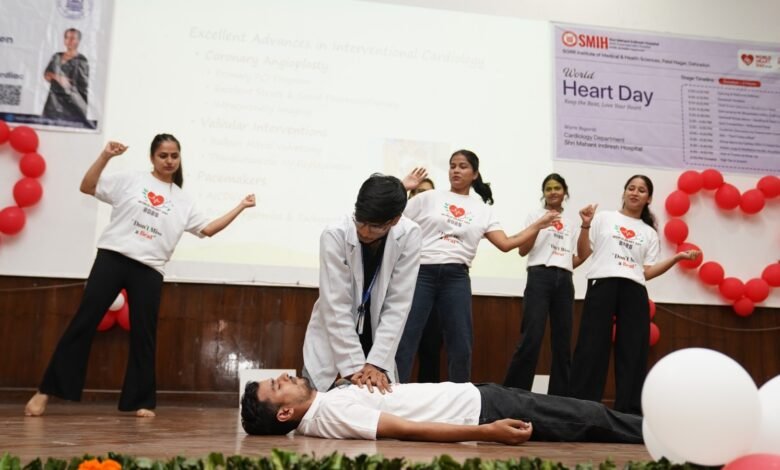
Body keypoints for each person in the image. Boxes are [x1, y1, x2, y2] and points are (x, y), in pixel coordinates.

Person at [24, 134, 256, 417]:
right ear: (152, 158)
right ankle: (45, 391)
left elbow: (208, 229)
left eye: (174, 156)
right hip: (112, 259)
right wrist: (106, 156)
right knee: (83, 322)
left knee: (144, 335)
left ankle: (140, 401)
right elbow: (88, 186)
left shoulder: (183, 199)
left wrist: (241, 206)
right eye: (163, 155)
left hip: (149, 269)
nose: (169, 161)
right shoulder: (131, 180)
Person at [396, 150, 558, 383]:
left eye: (462, 166)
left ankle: (461, 396)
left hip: (456, 277)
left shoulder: (482, 210)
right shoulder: (429, 197)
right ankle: (394, 391)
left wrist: (538, 225)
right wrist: (402, 187)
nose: (455, 170)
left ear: (474, 174)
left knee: (461, 341)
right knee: (407, 335)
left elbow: (506, 243)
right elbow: (392, 214)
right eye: (452, 166)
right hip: (422, 272)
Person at [569, 175, 700, 414]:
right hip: (603, 284)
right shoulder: (604, 218)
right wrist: (585, 225)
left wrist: (676, 258)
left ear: (648, 198)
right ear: (624, 192)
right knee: (591, 346)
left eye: (641, 190)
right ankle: (582, 408)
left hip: (634, 289)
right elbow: (583, 252)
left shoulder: (649, 232)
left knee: (633, 350)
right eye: (631, 188)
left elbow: (646, 272)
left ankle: (628, 413)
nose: (635, 193)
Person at [239, 372, 643, 445]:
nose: (285, 376)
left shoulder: (321, 409)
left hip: (477, 399)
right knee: (590, 416)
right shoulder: (329, 414)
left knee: (586, 419)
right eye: (277, 386)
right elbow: (406, 429)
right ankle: (659, 434)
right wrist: (487, 432)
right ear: (283, 414)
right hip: (480, 411)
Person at [302, 174, 421, 393]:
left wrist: (375, 363)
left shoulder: (409, 234)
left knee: (377, 407)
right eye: (360, 221)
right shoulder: (335, 234)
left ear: (394, 220)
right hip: (335, 336)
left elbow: (398, 303)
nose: (364, 231)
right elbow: (335, 304)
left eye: (374, 226)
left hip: (377, 340)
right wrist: (355, 367)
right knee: (313, 405)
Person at [503, 174, 582, 395]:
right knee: (532, 336)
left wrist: (566, 264)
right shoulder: (534, 215)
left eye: (557, 188)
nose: (553, 192)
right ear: (543, 193)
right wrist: (539, 224)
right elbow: (522, 250)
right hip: (539, 277)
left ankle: (560, 397)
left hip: (564, 280)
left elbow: (575, 257)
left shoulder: (572, 223)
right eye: (548, 188)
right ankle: (514, 394)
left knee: (563, 342)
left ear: (565, 192)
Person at [407, 177, 443, 383]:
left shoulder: (441, 223)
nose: (423, 197)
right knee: (403, 346)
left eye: (428, 193)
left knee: (431, 346)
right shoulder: (398, 223)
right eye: (419, 192)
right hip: (402, 290)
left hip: (432, 288)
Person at [42, 28, 90, 124]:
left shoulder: (81, 60)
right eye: (67, 38)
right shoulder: (57, 56)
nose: (69, 41)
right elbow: (47, 75)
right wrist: (58, 78)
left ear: (78, 41)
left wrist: (59, 80)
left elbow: (79, 85)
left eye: (73, 38)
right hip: (52, 103)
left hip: (71, 105)